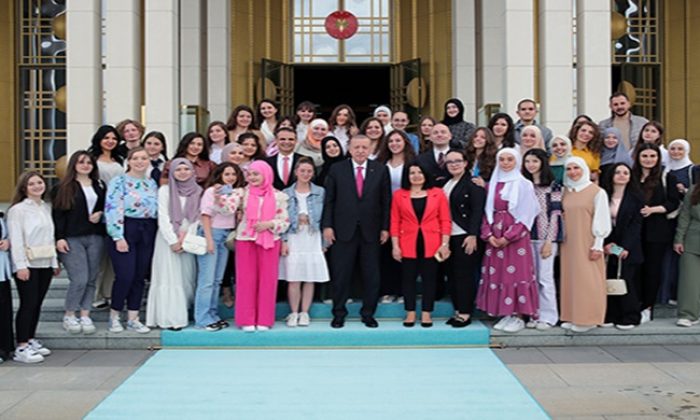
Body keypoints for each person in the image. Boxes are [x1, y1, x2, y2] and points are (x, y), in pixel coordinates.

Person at [322, 135, 391, 329]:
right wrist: (327, 226)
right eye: (356, 147)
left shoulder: (380, 169)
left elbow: (386, 201)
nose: (360, 151)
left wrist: (385, 228)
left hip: (372, 231)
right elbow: (330, 200)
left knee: (371, 275)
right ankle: (338, 313)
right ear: (350, 149)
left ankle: (368, 314)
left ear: (370, 149)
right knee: (341, 274)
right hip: (342, 230)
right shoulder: (337, 169)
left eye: (364, 147)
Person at [476, 148, 540, 333]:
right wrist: (488, 234)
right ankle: (505, 313)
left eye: (510, 159)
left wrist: (509, 236)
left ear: (516, 161)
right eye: (502, 159)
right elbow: (486, 211)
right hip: (495, 235)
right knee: (498, 274)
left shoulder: (524, 184)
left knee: (516, 274)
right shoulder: (493, 184)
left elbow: (527, 213)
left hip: (515, 237)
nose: (505, 163)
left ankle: (519, 316)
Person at [221, 161, 290, 331]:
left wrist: (269, 224)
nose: (252, 177)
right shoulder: (241, 193)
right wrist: (221, 197)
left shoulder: (279, 196)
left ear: (266, 175)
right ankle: (246, 320)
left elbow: (285, 222)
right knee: (245, 280)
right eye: (250, 174)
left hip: (270, 241)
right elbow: (228, 209)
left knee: (268, 281)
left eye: (256, 174)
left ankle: (264, 320)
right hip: (245, 240)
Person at [391, 161, 451, 327]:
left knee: (429, 279)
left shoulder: (437, 193)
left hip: (432, 242)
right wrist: (395, 246)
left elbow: (445, 220)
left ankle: (426, 313)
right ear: (407, 176)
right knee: (408, 279)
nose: (416, 176)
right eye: (412, 173)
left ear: (425, 175)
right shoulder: (399, 195)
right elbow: (395, 221)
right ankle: (410, 312)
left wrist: (445, 244)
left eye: (420, 172)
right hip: (407, 242)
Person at [105, 147, 158, 334]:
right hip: (125, 228)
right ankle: (114, 315)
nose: (140, 162)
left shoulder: (151, 183)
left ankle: (133, 318)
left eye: (143, 158)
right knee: (125, 275)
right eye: (135, 158)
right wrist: (118, 236)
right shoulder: (119, 181)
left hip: (147, 230)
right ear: (129, 161)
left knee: (139, 276)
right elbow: (112, 208)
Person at [52, 151, 106, 335]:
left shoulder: (99, 185)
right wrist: (59, 238)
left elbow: (106, 207)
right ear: (74, 165)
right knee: (79, 278)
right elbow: (57, 215)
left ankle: (85, 314)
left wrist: (100, 214)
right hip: (71, 238)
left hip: (95, 236)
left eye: (89, 162)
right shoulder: (63, 187)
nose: (85, 165)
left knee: (91, 278)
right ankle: (69, 314)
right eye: (81, 162)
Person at [8, 172, 59, 363]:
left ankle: (30, 339)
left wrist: (54, 262)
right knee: (28, 303)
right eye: (31, 184)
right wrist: (20, 265)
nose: (37, 186)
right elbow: (16, 239)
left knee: (37, 303)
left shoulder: (45, 207)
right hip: (27, 263)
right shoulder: (18, 210)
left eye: (39, 182)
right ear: (24, 188)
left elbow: (50, 236)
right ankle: (21, 346)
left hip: (45, 260)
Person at [146, 158, 202, 330]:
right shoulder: (165, 190)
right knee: (169, 278)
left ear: (192, 171)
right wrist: (173, 240)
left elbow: (198, 218)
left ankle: (183, 312)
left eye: (186, 169)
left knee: (185, 277)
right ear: (171, 172)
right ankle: (169, 319)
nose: (183, 172)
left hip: (188, 240)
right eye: (178, 169)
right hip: (167, 240)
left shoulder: (198, 191)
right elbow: (162, 217)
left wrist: (186, 238)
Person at [559, 157, 612, 333]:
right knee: (571, 279)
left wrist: (598, 244)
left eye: (576, 168)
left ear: (584, 169)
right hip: (568, 243)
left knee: (588, 280)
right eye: (569, 169)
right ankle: (572, 315)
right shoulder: (566, 191)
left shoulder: (597, 192)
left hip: (587, 241)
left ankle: (588, 319)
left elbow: (602, 218)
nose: (573, 172)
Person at [632, 143, 680, 323]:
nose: (648, 159)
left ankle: (647, 307)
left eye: (652, 156)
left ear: (658, 158)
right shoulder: (631, 176)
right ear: (638, 157)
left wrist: (653, 210)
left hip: (657, 231)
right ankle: (633, 304)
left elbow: (673, 203)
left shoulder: (667, 176)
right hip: (634, 230)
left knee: (652, 269)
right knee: (634, 268)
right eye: (644, 156)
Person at [280, 157, 330, 327]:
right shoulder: (286, 193)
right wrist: (283, 240)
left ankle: (305, 312)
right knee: (293, 277)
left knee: (310, 277)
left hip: (312, 236)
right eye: (302, 170)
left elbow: (325, 216)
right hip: (293, 237)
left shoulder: (320, 192)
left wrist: (324, 243)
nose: (306, 174)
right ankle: (293, 312)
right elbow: (281, 217)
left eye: (309, 171)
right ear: (296, 172)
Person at [194, 162, 244, 331]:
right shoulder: (211, 192)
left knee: (217, 280)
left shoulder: (236, 194)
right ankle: (202, 319)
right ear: (219, 175)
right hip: (212, 233)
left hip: (225, 236)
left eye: (234, 174)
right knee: (207, 280)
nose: (230, 177)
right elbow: (205, 216)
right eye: (227, 174)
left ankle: (212, 314)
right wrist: (209, 240)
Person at [442, 150, 486, 328]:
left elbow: (478, 211)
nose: (454, 164)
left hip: (465, 235)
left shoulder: (473, 183)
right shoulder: (445, 183)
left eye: (458, 161)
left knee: (464, 276)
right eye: (450, 162)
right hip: (447, 236)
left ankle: (465, 313)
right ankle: (457, 310)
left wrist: (473, 234)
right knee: (451, 274)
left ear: (466, 163)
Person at [522, 149, 562, 330]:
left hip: (545, 238)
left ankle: (548, 316)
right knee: (530, 278)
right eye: (527, 161)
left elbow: (555, 213)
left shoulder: (553, 185)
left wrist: (549, 241)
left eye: (534, 161)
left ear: (542, 163)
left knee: (545, 278)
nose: (530, 165)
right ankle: (533, 314)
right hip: (524, 238)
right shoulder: (523, 185)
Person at [376, 130, 417, 302]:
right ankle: (388, 290)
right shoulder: (380, 163)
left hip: (407, 211)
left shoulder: (413, 163)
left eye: (398, 140)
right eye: (391, 141)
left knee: (405, 252)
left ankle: (403, 291)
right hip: (384, 211)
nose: (394, 144)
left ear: (405, 142)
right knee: (386, 253)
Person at [602, 163, 644, 329]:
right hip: (608, 244)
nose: (621, 175)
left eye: (625, 173)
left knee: (626, 280)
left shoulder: (636, 197)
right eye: (618, 172)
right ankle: (610, 315)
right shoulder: (603, 195)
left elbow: (636, 225)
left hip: (629, 246)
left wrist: (623, 247)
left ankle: (630, 316)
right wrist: (607, 244)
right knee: (609, 279)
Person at [87, 125, 124, 310]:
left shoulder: (120, 160)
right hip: (98, 209)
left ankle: (108, 293)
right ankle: (95, 295)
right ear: (99, 139)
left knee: (111, 257)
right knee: (99, 257)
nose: (110, 141)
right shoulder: (91, 159)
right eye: (106, 138)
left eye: (114, 138)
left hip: (117, 211)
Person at [661, 139, 696, 305]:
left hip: (686, 219)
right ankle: (664, 294)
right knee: (667, 257)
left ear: (686, 151)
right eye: (672, 149)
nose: (676, 152)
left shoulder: (693, 170)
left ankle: (680, 294)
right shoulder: (664, 169)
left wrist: (685, 191)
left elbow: (696, 194)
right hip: (667, 218)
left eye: (680, 149)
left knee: (682, 257)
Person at [674, 180, 700, 327]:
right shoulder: (694, 189)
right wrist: (679, 239)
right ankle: (688, 315)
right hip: (692, 240)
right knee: (689, 281)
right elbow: (685, 215)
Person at [0, 212, 11, 364]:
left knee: (3, 309)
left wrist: (7, 242)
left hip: (2, 269)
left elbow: (7, 235)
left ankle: (4, 347)